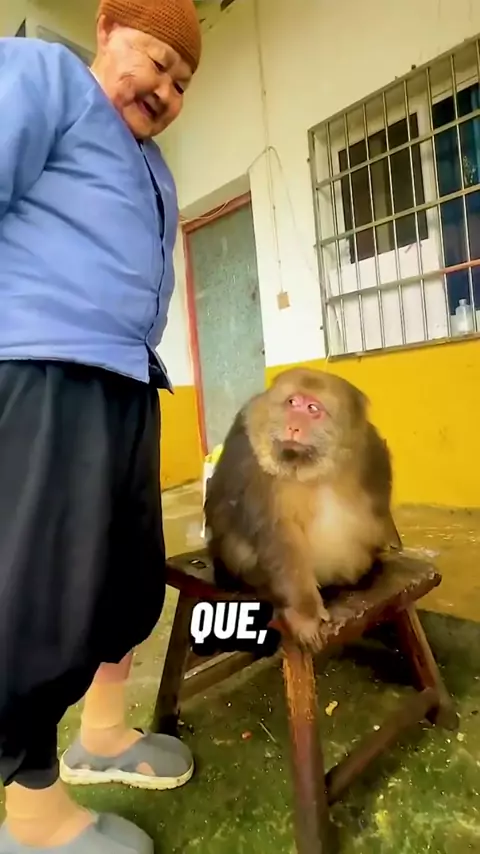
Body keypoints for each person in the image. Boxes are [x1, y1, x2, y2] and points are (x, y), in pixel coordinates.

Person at [0, 1, 201, 851]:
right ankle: (32, 813)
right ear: (107, 31)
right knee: (39, 599)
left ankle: (105, 733)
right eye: (156, 61)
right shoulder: (43, 76)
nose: (165, 89)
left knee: (124, 586)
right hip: (42, 362)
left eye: (181, 82)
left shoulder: (151, 164)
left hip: (127, 378)